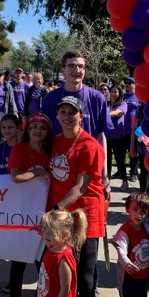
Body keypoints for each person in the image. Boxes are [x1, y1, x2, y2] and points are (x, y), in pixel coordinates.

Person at [49, 96, 105, 297]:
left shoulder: (89, 146)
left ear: (81, 116)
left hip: (84, 216)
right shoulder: (56, 141)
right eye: (62, 112)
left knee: (85, 275)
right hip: (62, 215)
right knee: (64, 269)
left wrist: (56, 208)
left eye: (72, 112)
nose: (67, 117)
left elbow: (81, 187)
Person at [41, 51, 111, 199]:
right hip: (58, 169)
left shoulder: (97, 98)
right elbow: (43, 135)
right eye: (72, 66)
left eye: (81, 67)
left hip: (88, 170)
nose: (77, 71)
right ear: (63, 70)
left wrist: (105, 174)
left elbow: (100, 136)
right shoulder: (50, 98)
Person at [6, 113, 53, 297]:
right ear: (28, 130)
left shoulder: (51, 151)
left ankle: (43, 296)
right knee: (18, 263)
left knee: (43, 263)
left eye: (42, 128)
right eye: (34, 127)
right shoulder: (20, 149)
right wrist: (38, 172)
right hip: (23, 214)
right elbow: (16, 177)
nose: (38, 131)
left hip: (47, 215)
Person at [37, 209, 87, 297]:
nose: (45, 235)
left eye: (51, 232)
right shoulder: (51, 249)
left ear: (65, 236)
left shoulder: (63, 259)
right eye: (45, 230)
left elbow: (65, 288)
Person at [106, 85, 129, 190]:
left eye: (116, 92)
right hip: (107, 137)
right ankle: (107, 182)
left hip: (119, 138)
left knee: (120, 161)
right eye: (112, 92)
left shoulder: (123, 104)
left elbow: (117, 113)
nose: (113, 94)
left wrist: (104, 115)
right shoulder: (107, 104)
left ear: (119, 93)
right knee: (107, 161)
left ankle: (125, 181)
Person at [122, 77, 141, 182]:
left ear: (135, 85)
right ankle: (121, 171)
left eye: (130, 83)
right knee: (121, 152)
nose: (127, 84)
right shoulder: (123, 97)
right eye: (126, 83)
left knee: (133, 151)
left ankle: (133, 172)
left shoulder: (138, 97)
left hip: (134, 129)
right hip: (123, 129)